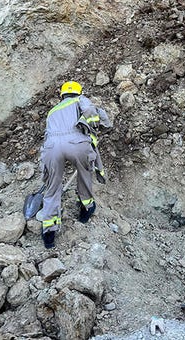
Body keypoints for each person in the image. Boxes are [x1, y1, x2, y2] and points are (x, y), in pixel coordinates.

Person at [36, 80, 112, 249]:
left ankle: (49, 234)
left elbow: (48, 133)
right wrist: (99, 126)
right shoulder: (80, 100)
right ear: (79, 92)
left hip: (51, 147)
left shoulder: (52, 111)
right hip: (76, 143)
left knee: (52, 187)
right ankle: (86, 209)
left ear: (62, 95)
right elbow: (94, 113)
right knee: (85, 174)